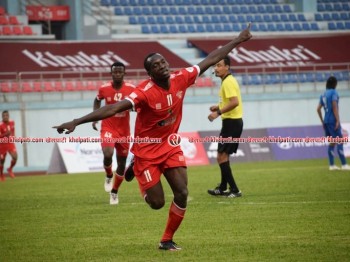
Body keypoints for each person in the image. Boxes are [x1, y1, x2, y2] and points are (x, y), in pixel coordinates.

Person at [53, 24, 252, 251]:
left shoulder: (181, 77)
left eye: (163, 62)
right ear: (150, 73)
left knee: (182, 192)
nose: (162, 66)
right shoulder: (143, 92)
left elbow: (210, 58)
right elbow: (112, 108)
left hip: (169, 145)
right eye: (156, 65)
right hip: (146, 151)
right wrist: (76, 122)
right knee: (157, 203)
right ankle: (136, 165)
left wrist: (238, 40)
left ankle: (166, 240)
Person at [92, 62, 135, 204]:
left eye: (120, 72)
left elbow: (139, 103)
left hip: (124, 131)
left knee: (122, 163)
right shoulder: (104, 88)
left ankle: (114, 191)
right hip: (108, 128)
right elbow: (97, 100)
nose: (117, 74)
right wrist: (95, 116)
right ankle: (109, 174)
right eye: (115, 72)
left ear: (124, 73)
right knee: (108, 154)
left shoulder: (131, 88)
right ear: (111, 73)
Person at [207, 56, 243, 198]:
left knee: (221, 157)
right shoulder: (227, 81)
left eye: (219, 65)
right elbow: (230, 101)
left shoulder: (228, 82)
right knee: (222, 156)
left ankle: (234, 190)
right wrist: (218, 106)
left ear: (227, 67)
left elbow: (235, 102)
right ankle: (222, 188)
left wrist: (218, 112)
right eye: (215, 66)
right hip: (231, 122)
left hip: (232, 123)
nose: (215, 68)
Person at [317, 76, 350, 171]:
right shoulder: (334, 92)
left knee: (332, 143)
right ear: (335, 84)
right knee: (340, 141)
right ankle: (344, 165)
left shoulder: (323, 94)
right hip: (332, 121)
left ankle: (332, 165)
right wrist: (337, 120)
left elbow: (318, 109)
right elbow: (334, 106)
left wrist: (322, 121)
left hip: (326, 121)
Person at [0, 110, 17, 181]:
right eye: (4, 116)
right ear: (2, 117)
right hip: (2, 144)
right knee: (2, 160)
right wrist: (5, 134)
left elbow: (12, 130)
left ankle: (10, 169)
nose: (5, 117)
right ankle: (1, 175)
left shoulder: (12, 122)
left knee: (15, 157)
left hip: (10, 142)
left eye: (6, 115)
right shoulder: (0, 125)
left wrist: (13, 136)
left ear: (8, 116)